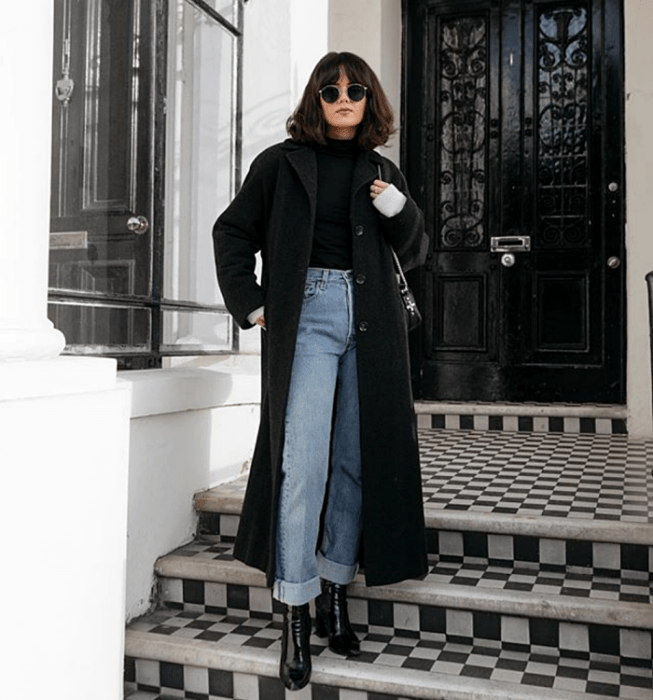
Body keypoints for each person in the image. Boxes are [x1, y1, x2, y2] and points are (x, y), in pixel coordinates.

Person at [213, 51, 428, 691]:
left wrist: (397, 207)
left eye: (355, 90)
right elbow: (232, 232)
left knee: (355, 461)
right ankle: (296, 611)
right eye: (331, 89)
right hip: (304, 316)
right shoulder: (281, 164)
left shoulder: (381, 171)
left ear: (369, 101)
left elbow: (416, 252)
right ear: (316, 98)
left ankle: (336, 588)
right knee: (301, 461)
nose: (343, 98)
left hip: (373, 321)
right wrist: (251, 305)